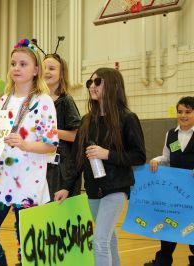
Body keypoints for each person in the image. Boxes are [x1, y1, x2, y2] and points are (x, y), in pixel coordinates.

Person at [0, 38, 59, 265]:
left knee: (26, 247)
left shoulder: (43, 102)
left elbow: (51, 145)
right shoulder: (4, 100)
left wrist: (24, 144)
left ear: (36, 70)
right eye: (13, 63)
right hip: (0, 182)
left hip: (28, 184)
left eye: (23, 64)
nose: (16, 68)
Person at [55, 67, 146, 266]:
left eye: (98, 82)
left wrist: (108, 154)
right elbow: (77, 158)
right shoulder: (87, 121)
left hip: (116, 188)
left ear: (112, 86)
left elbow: (139, 156)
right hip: (93, 190)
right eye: (90, 82)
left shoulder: (128, 118)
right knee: (109, 238)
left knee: (99, 241)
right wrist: (65, 186)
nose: (92, 86)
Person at [144, 96, 194, 266]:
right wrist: (157, 160)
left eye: (188, 112)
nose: (183, 115)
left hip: (193, 191)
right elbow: (167, 157)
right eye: (180, 112)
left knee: (191, 226)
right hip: (175, 191)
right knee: (168, 225)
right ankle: (163, 260)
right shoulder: (171, 135)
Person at [43, 53, 81, 200]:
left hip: (62, 169)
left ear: (61, 74)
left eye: (51, 68)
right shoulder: (36, 100)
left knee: (59, 217)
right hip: (41, 165)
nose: (46, 71)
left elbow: (77, 135)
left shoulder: (66, 100)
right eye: (44, 68)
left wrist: (51, 132)